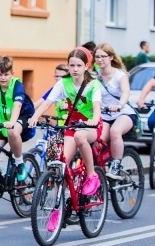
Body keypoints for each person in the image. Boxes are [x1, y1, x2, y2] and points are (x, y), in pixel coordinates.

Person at [29, 47, 103, 207]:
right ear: (68, 66)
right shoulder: (64, 82)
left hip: (90, 125)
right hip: (73, 124)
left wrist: (94, 120)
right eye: (72, 65)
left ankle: (92, 176)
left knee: (80, 137)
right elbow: (48, 101)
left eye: (79, 65)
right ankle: (58, 207)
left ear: (86, 66)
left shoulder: (93, 84)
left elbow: (97, 106)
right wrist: (35, 116)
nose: (75, 69)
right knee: (60, 165)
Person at [94, 44, 137, 179]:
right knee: (97, 140)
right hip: (104, 114)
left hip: (123, 112)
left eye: (103, 56)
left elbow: (125, 93)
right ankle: (100, 170)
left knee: (115, 131)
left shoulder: (120, 75)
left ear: (111, 57)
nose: (100, 59)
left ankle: (116, 165)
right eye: (97, 57)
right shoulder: (95, 76)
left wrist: (119, 105)